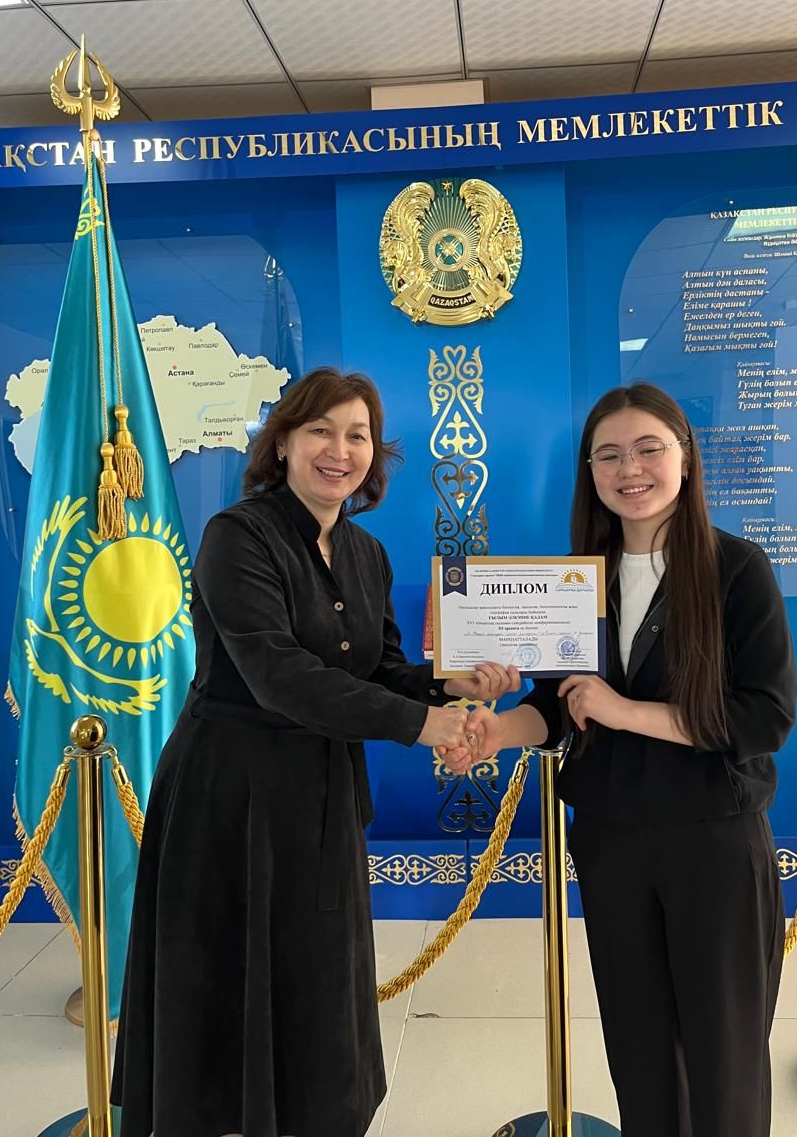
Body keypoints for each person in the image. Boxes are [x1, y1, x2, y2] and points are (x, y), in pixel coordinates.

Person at [112, 368, 519, 1137]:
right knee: (225, 980)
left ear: (375, 453)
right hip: (230, 800)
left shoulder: (366, 553)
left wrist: (449, 683)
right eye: (321, 431)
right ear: (283, 444)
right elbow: (280, 675)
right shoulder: (237, 536)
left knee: (318, 978)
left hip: (324, 794)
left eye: (357, 435)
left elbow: (377, 668)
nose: (340, 450)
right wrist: (425, 725)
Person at [449, 383, 796, 1137]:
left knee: (724, 1056)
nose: (628, 469)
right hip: (611, 842)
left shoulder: (737, 569)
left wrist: (627, 711)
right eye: (608, 455)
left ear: (685, 458)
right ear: (590, 472)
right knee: (638, 1050)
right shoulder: (581, 576)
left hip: (712, 841)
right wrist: (492, 733)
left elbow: (765, 717)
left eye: (648, 449)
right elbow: (557, 708)